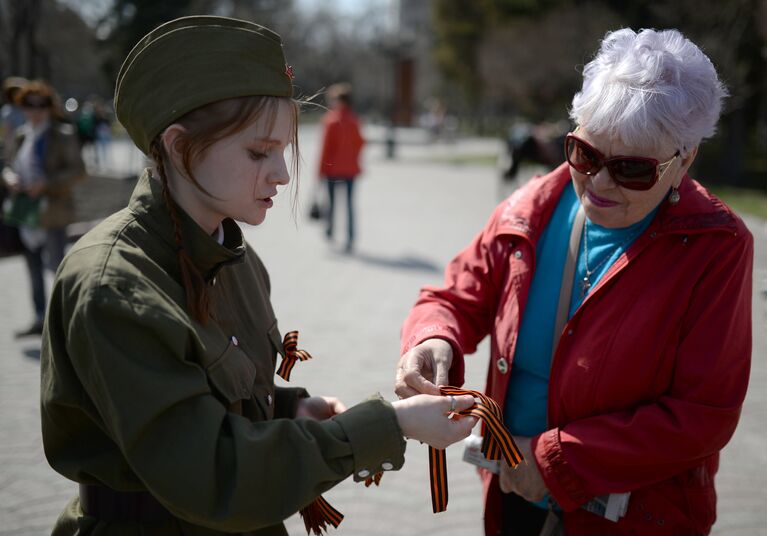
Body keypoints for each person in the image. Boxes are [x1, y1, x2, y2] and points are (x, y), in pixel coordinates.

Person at [40, 16, 477, 536]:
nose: (284, 173)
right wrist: (393, 425)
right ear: (180, 148)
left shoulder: (232, 254)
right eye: (258, 152)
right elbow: (212, 473)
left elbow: (221, 399)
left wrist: (290, 408)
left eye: (283, 149)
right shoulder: (114, 287)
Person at [396, 28, 752, 535]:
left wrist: (556, 463)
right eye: (585, 153)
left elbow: (703, 413)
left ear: (685, 159)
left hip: (635, 517)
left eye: (632, 169)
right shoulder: (533, 205)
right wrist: (432, 339)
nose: (599, 182)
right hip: (513, 494)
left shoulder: (717, 246)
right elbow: (455, 294)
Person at [2, 80, 85, 337]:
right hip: (26, 212)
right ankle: (40, 318)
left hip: (53, 210)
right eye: (28, 104)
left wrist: (46, 184)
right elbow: (8, 165)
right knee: (33, 267)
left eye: (40, 104)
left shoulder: (63, 134)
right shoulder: (21, 135)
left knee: (57, 266)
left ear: (49, 107)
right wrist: (10, 179)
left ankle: (65, 318)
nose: (35, 110)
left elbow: (78, 171)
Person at [318, 82, 364, 252]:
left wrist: (320, 171)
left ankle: (330, 231)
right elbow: (361, 143)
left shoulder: (331, 121)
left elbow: (325, 149)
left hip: (332, 170)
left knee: (331, 203)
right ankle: (350, 237)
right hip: (351, 169)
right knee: (350, 204)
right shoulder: (355, 120)